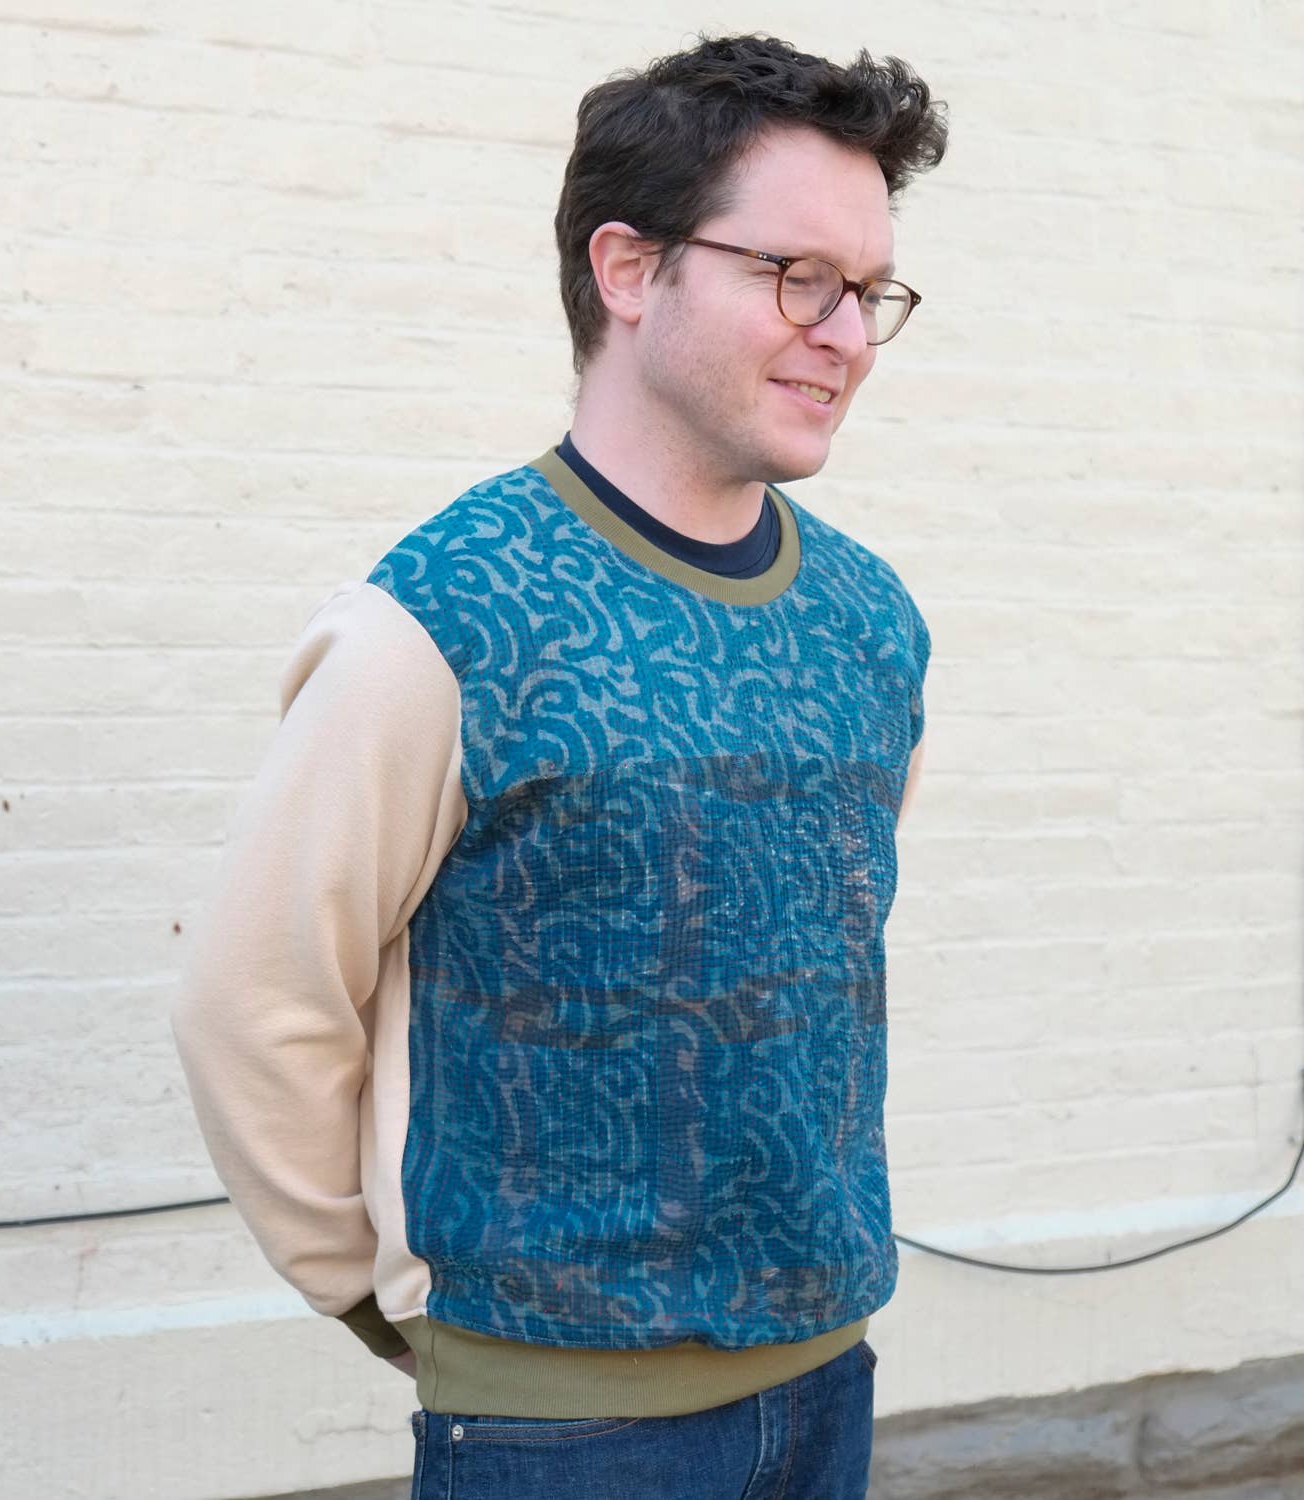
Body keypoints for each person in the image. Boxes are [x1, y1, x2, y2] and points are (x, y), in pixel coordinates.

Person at [172, 32, 947, 1500]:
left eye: (869, 291)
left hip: (827, 1379)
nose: (846, 334)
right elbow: (255, 999)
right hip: (556, 1426)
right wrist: (384, 1297)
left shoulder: (869, 620)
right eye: (799, 277)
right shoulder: (443, 619)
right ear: (630, 269)